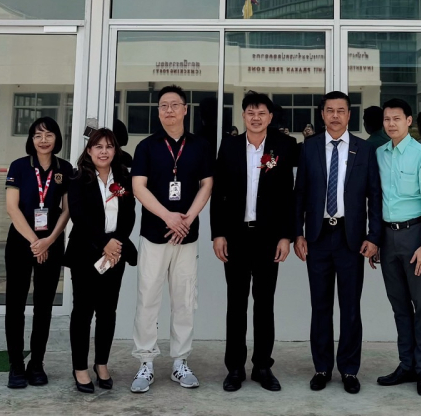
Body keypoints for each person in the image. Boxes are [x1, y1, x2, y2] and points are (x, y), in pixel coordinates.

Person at [295, 91, 382, 395]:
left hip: (351, 239)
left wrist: (373, 236)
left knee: (350, 308)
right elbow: (300, 193)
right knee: (320, 306)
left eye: (340, 110)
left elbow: (375, 196)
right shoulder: (309, 147)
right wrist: (298, 233)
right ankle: (321, 368)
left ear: (349, 115)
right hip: (317, 237)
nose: (334, 116)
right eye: (329, 110)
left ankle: (348, 369)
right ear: (322, 115)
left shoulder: (364, 149)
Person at [130, 85, 214, 393]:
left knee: (184, 300)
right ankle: (145, 362)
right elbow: (138, 187)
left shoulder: (200, 145)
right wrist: (168, 217)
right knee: (148, 299)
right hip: (155, 235)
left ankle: (180, 361)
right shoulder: (147, 146)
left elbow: (207, 184)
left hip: (186, 236)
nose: (169, 110)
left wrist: (187, 219)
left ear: (185, 109)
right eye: (163, 105)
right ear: (158, 111)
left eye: (174, 105)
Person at [211, 92, 295, 392]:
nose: (255, 118)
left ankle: (262, 366)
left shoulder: (284, 146)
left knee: (264, 303)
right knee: (236, 304)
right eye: (250, 112)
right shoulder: (230, 146)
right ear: (243, 116)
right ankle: (235, 367)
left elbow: (288, 195)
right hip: (235, 236)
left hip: (268, 237)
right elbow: (219, 192)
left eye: (261, 113)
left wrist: (286, 236)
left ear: (270, 117)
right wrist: (218, 233)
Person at [65, 128, 137, 393]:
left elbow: (129, 214)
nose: (104, 151)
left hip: (114, 253)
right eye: (98, 147)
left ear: (115, 150)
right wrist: (104, 243)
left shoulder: (124, 178)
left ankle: (101, 364)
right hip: (86, 253)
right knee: (83, 311)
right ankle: (80, 368)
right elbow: (79, 216)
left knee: (107, 311)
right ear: (89, 151)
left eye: (109, 146)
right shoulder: (78, 178)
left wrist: (116, 243)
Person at [375, 99, 421, 397]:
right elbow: (373, 199)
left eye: (397, 118)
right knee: (399, 305)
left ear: (409, 121)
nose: (391, 124)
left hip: (415, 237)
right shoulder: (379, 154)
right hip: (387, 239)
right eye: (387, 119)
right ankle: (407, 364)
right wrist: (375, 239)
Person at [4, 117, 72, 389]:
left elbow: (67, 210)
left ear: (57, 138)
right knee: (15, 305)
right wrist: (35, 241)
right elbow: (12, 208)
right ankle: (16, 365)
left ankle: (36, 364)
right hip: (21, 241)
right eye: (37, 135)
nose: (43, 140)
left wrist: (49, 241)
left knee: (43, 306)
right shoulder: (19, 167)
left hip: (52, 242)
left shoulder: (65, 169)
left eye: (49, 135)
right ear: (31, 140)